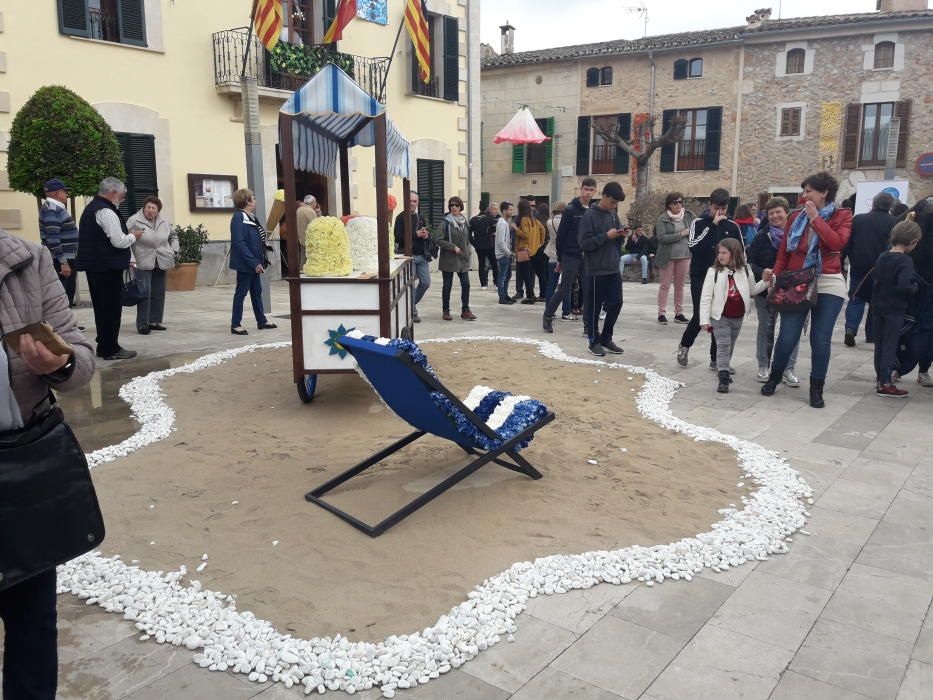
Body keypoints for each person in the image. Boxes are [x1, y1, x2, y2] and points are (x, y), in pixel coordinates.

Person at [1, 224, 95, 700]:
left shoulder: (26, 260)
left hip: (22, 467)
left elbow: (80, 354)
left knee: (32, 619)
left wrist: (57, 365)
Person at [761, 172, 852, 408]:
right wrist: (777, 277)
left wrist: (816, 219)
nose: (804, 196)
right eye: (804, 191)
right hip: (798, 278)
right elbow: (784, 252)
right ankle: (774, 377)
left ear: (824, 193)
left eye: (808, 191)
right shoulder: (795, 218)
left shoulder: (843, 215)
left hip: (829, 280)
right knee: (788, 335)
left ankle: (816, 388)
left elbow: (836, 244)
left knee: (820, 338)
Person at [74, 177, 142, 360]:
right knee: (111, 309)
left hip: (97, 267)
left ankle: (105, 344)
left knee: (102, 308)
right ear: (112, 193)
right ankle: (110, 348)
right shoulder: (106, 211)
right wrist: (134, 236)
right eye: (122, 195)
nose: (122, 199)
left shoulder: (92, 208)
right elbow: (118, 241)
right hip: (107, 268)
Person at [676, 188, 743, 368]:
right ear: (709, 206)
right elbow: (693, 246)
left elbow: (741, 253)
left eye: (723, 209)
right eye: (716, 208)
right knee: (701, 315)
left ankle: (716, 358)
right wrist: (712, 226)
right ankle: (684, 345)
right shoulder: (699, 223)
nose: (719, 213)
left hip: (724, 279)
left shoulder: (732, 226)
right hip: (701, 276)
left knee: (719, 315)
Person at [700, 238, 772, 393]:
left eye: (724, 252)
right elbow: (706, 296)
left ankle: (723, 367)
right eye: (719, 252)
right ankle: (723, 377)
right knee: (723, 344)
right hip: (719, 315)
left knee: (730, 344)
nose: (721, 255)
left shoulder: (745, 270)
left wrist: (766, 282)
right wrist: (704, 319)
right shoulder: (713, 271)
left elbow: (752, 291)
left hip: (738, 315)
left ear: (735, 254)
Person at [746, 197, 801, 385]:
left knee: (791, 330)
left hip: (793, 290)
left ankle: (788, 368)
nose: (775, 216)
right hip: (766, 291)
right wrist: (763, 272)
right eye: (771, 213)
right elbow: (750, 262)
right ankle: (763, 365)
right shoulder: (762, 236)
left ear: (786, 212)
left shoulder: (798, 235)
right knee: (765, 328)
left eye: (778, 212)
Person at [872, 216, 921, 397]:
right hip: (895, 309)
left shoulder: (883, 256)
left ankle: (879, 379)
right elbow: (903, 285)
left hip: (878, 307)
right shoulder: (905, 261)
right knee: (890, 346)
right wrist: (914, 288)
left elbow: (875, 281)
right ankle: (886, 383)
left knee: (880, 345)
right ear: (913, 241)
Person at [579, 181, 626, 357]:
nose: (614, 206)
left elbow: (616, 240)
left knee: (616, 302)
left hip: (613, 267)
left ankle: (607, 337)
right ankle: (593, 341)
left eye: (616, 204)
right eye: (613, 202)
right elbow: (584, 243)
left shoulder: (613, 214)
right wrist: (606, 236)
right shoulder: (589, 216)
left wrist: (621, 235)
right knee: (594, 308)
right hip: (595, 269)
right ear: (604, 196)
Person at [543, 178, 597, 333]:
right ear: (581, 189)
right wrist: (560, 259)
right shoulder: (570, 210)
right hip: (570, 255)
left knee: (588, 291)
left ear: (595, 191)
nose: (588, 192)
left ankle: (588, 326)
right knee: (564, 288)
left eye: (591, 190)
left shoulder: (593, 211)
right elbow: (561, 237)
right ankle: (547, 316)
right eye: (586, 189)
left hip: (586, 256)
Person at [843, 191, 895, 347]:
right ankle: (871, 334)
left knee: (856, 298)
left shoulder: (858, 219)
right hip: (881, 268)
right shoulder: (893, 222)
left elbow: (848, 243)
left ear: (873, 203)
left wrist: (842, 261)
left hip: (859, 266)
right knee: (875, 301)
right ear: (890, 206)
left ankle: (850, 329)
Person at [126, 196, 178, 335]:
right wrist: (131, 259)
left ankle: (154, 321)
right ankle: (142, 324)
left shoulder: (164, 220)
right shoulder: (134, 220)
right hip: (142, 260)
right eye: (148, 207)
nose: (150, 210)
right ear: (144, 208)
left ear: (158, 210)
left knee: (158, 292)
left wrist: (174, 250)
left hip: (162, 259)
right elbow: (129, 241)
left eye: (153, 208)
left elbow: (173, 236)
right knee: (144, 292)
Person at [229, 188, 276, 335]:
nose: (255, 200)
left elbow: (257, 237)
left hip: (256, 261)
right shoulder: (238, 217)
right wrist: (254, 263)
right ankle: (235, 324)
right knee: (241, 293)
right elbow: (240, 243)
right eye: (253, 198)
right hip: (246, 263)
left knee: (257, 292)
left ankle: (261, 321)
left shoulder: (251, 216)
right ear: (246, 201)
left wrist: (265, 246)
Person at [38, 178, 79, 307]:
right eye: (65, 191)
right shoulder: (52, 210)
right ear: (57, 193)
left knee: (67, 294)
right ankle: (63, 326)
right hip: (61, 260)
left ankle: (67, 325)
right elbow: (53, 238)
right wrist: (63, 262)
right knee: (63, 296)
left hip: (64, 258)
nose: (67, 194)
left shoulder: (54, 208)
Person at [655, 192, 695, 325]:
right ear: (669, 205)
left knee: (680, 286)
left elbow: (696, 231)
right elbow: (662, 238)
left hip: (685, 255)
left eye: (680, 202)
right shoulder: (662, 218)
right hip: (667, 257)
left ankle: (679, 313)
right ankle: (661, 313)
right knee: (665, 285)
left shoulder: (689, 216)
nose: (678, 204)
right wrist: (681, 234)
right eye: (675, 202)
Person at [434, 196, 475, 321]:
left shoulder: (464, 221)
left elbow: (467, 238)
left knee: (466, 284)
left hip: (462, 258)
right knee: (447, 285)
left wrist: (468, 250)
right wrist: (453, 247)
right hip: (449, 259)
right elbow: (438, 239)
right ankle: (446, 311)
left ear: (461, 207)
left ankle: (466, 310)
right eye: (452, 205)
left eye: (457, 205)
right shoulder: (445, 222)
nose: (454, 207)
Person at [393, 191, 430, 322]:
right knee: (411, 285)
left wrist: (426, 235)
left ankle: (410, 305)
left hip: (422, 256)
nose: (412, 204)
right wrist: (415, 234)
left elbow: (424, 235)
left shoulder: (421, 217)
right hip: (409, 256)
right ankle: (412, 312)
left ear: (418, 203)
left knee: (425, 283)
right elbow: (398, 238)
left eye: (415, 201)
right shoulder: (400, 217)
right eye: (410, 201)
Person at [909, 201, 933, 387]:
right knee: (924, 328)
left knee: (914, 326)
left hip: (917, 282)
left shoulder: (916, 216)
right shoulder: (919, 220)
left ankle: (896, 368)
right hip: (920, 282)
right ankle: (923, 370)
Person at [514, 199, 545, 305]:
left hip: (525, 250)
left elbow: (525, 235)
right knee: (530, 275)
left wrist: (515, 229)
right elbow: (543, 229)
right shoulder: (533, 219)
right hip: (535, 250)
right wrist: (540, 242)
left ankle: (530, 296)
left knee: (526, 275)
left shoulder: (524, 219)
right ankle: (531, 295)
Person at [543, 202, 566, 317]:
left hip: (552, 255)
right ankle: (566, 312)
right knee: (565, 285)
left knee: (551, 285)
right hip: (564, 256)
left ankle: (549, 310)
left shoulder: (549, 222)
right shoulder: (566, 221)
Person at [469, 202, 499, 290]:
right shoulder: (490, 218)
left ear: (479, 208)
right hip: (489, 245)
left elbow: (469, 234)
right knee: (494, 264)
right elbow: (494, 232)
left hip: (479, 246)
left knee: (481, 265)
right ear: (487, 208)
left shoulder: (473, 220)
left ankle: (483, 284)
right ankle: (496, 282)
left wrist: (475, 244)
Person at [495, 201, 516, 305]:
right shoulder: (502, 223)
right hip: (503, 255)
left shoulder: (505, 223)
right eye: (510, 210)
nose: (511, 211)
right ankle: (502, 297)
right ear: (504, 211)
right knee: (503, 276)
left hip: (505, 254)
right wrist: (508, 252)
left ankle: (505, 295)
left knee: (507, 275)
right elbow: (501, 241)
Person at [533, 203, 551, 299]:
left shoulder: (537, 223)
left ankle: (542, 294)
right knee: (547, 274)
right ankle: (547, 293)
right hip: (548, 250)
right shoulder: (549, 222)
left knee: (540, 274)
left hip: (538, 250)